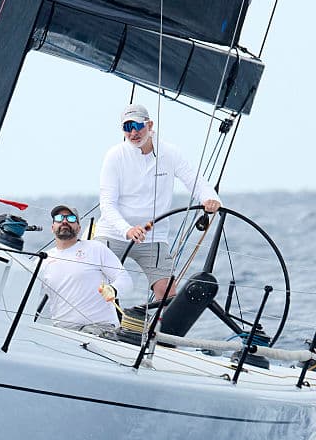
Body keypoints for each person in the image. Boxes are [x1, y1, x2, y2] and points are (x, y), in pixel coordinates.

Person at [95, 103, 221, 300]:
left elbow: (194, 181)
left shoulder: (170, 153)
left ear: (150, 124)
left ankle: (160, 320)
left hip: (153, 236)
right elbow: (107, 204)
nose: (134, 132)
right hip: (113, 233)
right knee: (98, 287)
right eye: (127, 127)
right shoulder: (115, 156)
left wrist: (210, 199)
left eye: (138, 125)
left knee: (167, 292)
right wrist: (127, 229)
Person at [40, 205, 132, 335]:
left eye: (71, 218)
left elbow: (125, 279)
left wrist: (113, 289)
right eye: (59, 218)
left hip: (100, 328)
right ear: (52, 227)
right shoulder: (43, 259)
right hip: (61, 331)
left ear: (79, 228)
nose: (64, 221)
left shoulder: (96, 248)